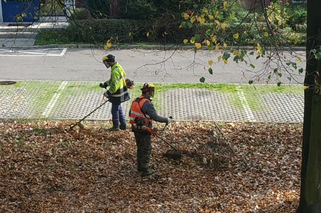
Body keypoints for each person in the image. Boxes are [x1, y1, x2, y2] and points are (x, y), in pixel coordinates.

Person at [129, 83, 173, 176]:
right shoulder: (147, 103)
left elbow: (131, 114)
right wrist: (166, 120)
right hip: (144, 130)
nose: (152, 93)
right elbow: (155, 116)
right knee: (146, 149)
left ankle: (139, 166)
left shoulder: (135, 100)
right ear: (148, 92)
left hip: (136, 128)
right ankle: (145, 169)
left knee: (140, 148)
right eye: (151, 91)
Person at [100, 54, 130, 131]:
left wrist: (107, 93)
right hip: (121, 92)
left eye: (106, 62)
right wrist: (105, 84)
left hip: (117, 94)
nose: (106, 64)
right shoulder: (117, 67)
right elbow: (112, 80)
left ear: (109, 62)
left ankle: (116, 127)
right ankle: (123, 125)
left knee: (114, 110)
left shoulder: (114, 72)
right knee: (119, 109)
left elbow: (114, 87)